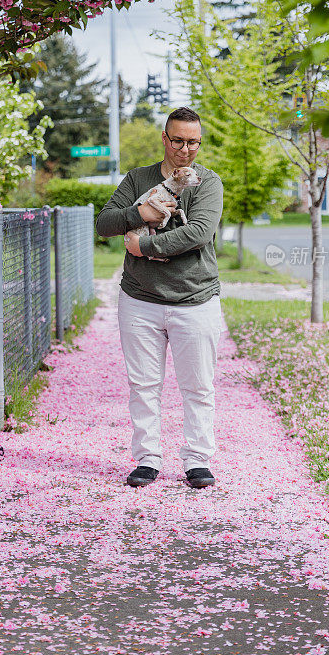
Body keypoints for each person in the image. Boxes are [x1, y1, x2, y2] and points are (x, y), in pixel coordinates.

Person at [95, 107, 224, 489]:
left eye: (193, 142)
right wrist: (140, 211)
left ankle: (197, 460)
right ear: (165, 139)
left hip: (195, 299)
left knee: (198, 385)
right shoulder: (138, 179)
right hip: (139, 300)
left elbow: (198, 233)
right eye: (178, 141)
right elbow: (104, 223)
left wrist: (143, 247)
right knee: (143, 384)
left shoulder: (208, 182)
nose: (186, 150)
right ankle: (147, 459)